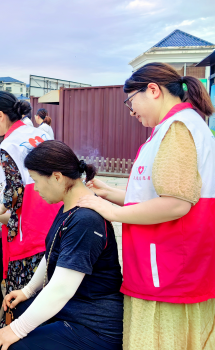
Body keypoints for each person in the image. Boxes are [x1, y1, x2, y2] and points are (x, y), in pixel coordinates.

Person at [78, 62, 215, 350]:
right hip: (165, 264)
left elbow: (176, 203)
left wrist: (114, 213)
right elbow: (153, 195)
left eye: (131, 101)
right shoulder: (172, 127)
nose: (131, 111)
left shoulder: (177, 128)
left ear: (152, 90)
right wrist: (110, 192)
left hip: (169, 270)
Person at [0, 140, 123, 350]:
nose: (35, 188)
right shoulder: (70, 206)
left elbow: (62, 288)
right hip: (73, 308)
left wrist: (16, 330)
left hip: (93, 325)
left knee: (15, 345)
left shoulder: (86, 219)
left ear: (57, 177)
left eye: (36, 180)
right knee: (19, 308)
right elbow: (52, 252)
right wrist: (28, 290)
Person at [0, 91, 60, 326]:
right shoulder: (38, 133)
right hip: (53, 212)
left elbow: (14, 190)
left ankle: (18, 331)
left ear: (0, 115)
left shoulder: (8, 144)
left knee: (23, 288)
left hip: (30, 220)